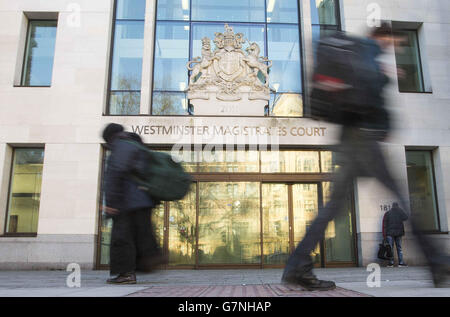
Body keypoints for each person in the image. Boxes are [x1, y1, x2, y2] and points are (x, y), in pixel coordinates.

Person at [282, 23, 449, 290]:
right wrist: (383, 84)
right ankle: (438, 261)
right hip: (364, 138)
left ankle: (296, 265)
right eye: (395, 42)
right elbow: (369, 92)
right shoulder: (368, 50)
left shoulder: (355, 50)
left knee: (332, 207)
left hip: (349, 139)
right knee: (400, 197)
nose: (395, 47)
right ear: (385, 37)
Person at [102, 123, 164, 284]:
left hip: (127, 200)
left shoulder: (121, 146)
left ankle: (126, 274)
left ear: (109, 137)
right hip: (143, 200)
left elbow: (115, 174)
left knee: (122, 238)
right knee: (140, 235)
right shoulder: (136, 144)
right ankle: (152, 257)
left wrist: (111, 202)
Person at [382, 202, 408, 267]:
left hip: (389, 233)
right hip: (399, 233)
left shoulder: (387, 213)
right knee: (399, 248)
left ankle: (391, 263)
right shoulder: (400, 212)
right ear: (398, 206)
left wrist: (384, 235)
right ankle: (401, 263)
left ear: (392, 206)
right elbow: (406, 217)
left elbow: (384, 224)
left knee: (391, 248)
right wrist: (401, 210)